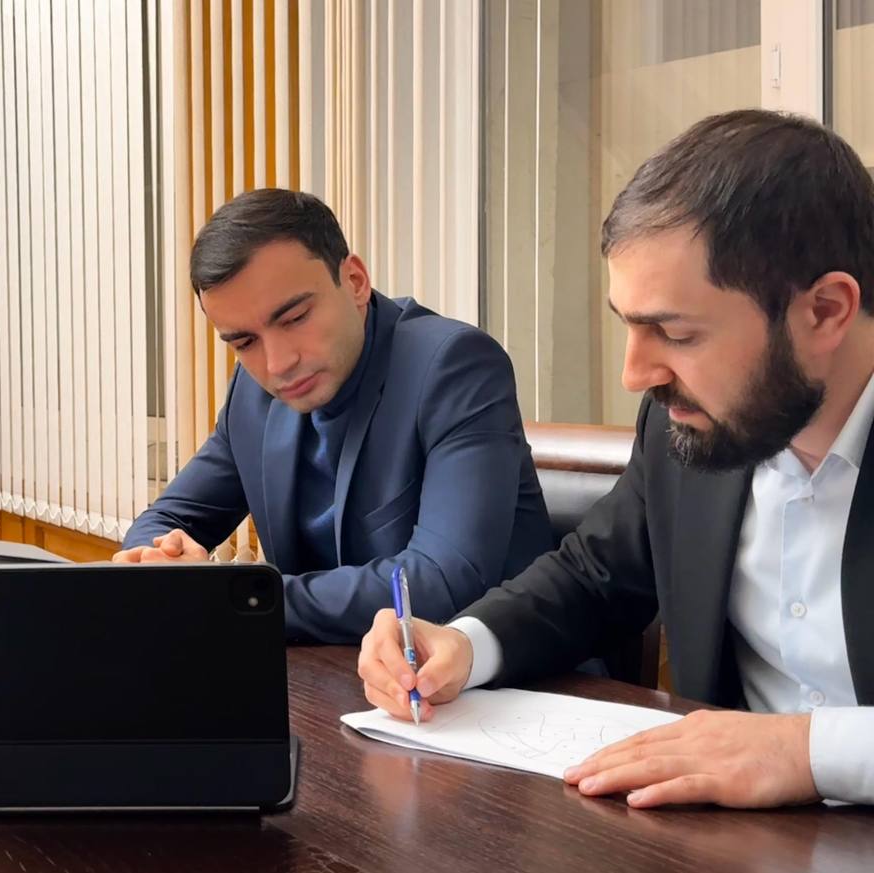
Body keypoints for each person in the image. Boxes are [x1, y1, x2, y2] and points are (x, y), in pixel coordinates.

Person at [357, 109, 874, 807]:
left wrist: (807, 751)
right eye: (629, 326)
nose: (635, 375)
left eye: (676, 334)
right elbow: (593, 577)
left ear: (826, 311)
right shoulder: (685, 426)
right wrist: (464, 645)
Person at [114, 188, 551, 642]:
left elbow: (440, 581)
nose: (277, 363)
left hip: (505, 676)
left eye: (295, 318)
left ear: (355, 281)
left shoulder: (454, 366)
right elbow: (166, 519)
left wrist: (232, 597)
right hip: (336, 670)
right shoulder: (253, 392)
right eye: (244, 342)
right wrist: (160, 561)